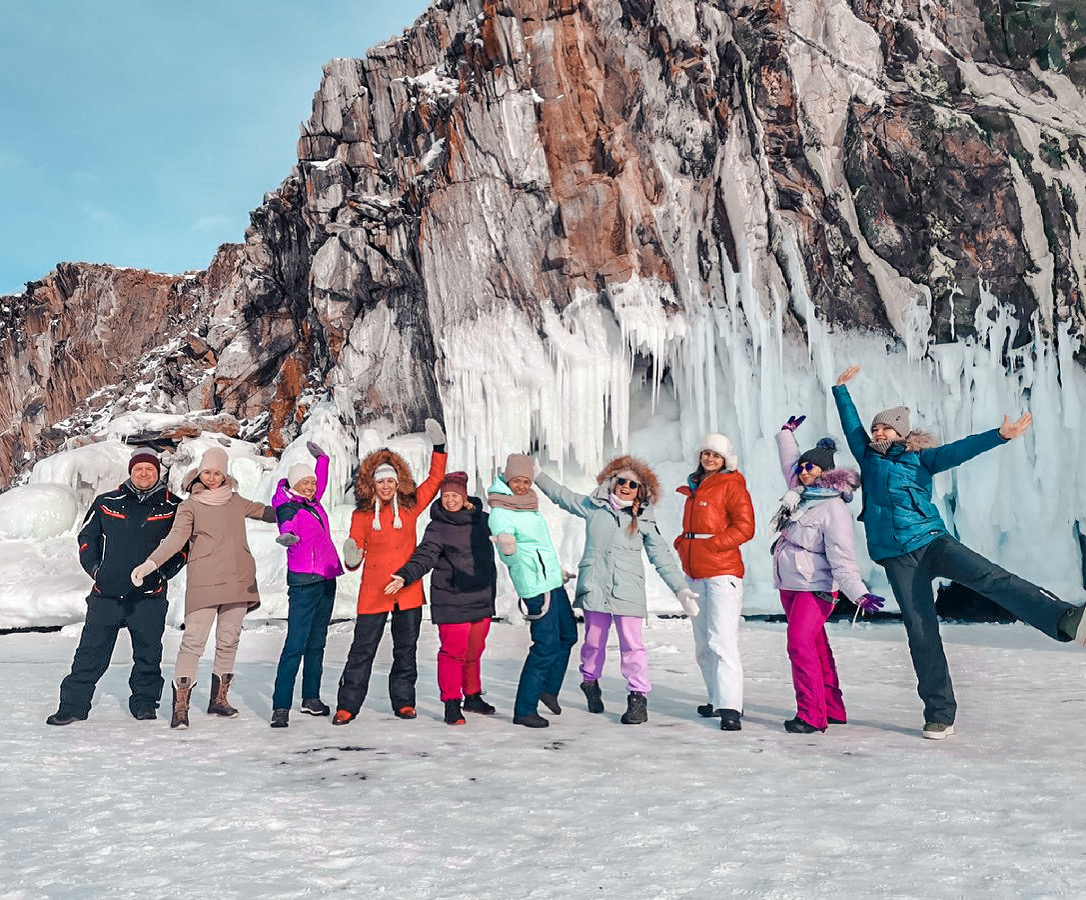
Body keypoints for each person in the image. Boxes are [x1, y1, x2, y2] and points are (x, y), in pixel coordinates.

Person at [833, 364, 1086, 739]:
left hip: (933, 541)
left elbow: (960, 451)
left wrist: (1000, 435)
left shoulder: (920, 458)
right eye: (875, 428)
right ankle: (939, 713)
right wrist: (841, 390)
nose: (878, 432)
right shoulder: (868, 457)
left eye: (885, 427)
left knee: (989, 577)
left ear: (901, 432)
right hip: (897, 558)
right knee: (921, 630)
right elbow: (850, 424)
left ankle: (1064, 619)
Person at [536, 456, 698, 726]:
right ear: (611, 482)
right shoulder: (593, 506)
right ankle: (590, 682)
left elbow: (662, 556)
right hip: (595, 587)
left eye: (632, 484)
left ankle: (638, 697)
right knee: (593, 643)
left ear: (640, 490)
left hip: (628, 589)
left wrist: (680, 589)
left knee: (633, 646)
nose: (625, 486)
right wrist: (539, 476)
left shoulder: (645, 518)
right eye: (620, 480)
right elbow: (562, 496)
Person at [131, 445, 276, 729]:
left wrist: (296, 504)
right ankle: (180, 705)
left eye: (216, 473)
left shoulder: (236, 501)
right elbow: (175, 540)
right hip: (205, 581)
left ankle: (219, 699)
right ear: (200, 472)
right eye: (207, 471)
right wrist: (150, 564)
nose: (211, 477)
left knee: (229, 639)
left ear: (225, 475)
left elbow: (267, 513)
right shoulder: (190, 506)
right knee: (193, 642)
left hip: (239, 578)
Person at [46, 448, 187, 725]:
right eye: (138, 469)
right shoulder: (108, 502)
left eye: (150, 468)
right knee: (90, 653)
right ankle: (73, 706)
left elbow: (184, 548)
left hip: (149, 596)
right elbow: (87, 539)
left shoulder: (174, 506)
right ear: (131, 471)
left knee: (148, 654)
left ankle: (145, 703)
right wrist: (96, 571)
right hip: (106, 595)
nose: (144, 473)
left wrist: (162, 576)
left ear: (158, 472)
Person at [771, 417, 885, 734]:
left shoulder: (833, 508)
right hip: (790, 584)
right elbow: (789, 461)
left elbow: (841, 555)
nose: (805, 471)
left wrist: (857, 592)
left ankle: (811, 715)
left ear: (826, 473)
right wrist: (785, 434)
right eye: (803, 467)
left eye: (812, 468)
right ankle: (833, 709)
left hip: (816, 588)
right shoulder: (799, 496)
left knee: (799, 646)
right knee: (816, 646)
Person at [333, 419, 447, 725]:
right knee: (362, 650)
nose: (385, 487)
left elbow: (435, 480)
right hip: (374, 592)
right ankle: (347, 705)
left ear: (398, 483)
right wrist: (352, 555)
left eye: (390, 482)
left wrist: (439, 448)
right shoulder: (362, 514)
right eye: (381, 482)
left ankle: (404, 702)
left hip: (407, 591)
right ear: (373, 484)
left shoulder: (410, 508)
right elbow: (354, 555)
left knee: (405, 650)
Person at [385, 471, 498, 726]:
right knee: (453, 653)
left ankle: (472, 696)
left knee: (474, 651)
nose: (449, 500)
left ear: (464, 496)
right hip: (452, 598)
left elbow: (512, 530)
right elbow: (425, 555)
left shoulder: (483, 521)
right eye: (445, 495)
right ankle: (451, 702)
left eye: (454, 495)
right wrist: (406, 576)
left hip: (481, 595)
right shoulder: (437, 527)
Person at [488, 453, 577, 729]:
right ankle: (524, 709)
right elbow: (509, 547)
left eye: (526, 481)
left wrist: (556, 571)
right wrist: (507, 547)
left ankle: (547, 689)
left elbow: (539, 547)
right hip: (536, 586)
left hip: (550, 581)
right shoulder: (501, 510)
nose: (522, 486)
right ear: (508, 479)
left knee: (568, 636)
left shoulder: (527, 506)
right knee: (545, 647)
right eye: (517, 480)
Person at [674, 434, 755, 731]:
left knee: (722, 640)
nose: (709, 458)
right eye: (706, 453)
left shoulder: (732, 484)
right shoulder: (696, 486)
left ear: (725, 460)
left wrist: (713, 546)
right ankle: (716, 698)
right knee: (702, 644)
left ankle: (731, 706)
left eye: (716, 455)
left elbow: (746, 527)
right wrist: (683, 544)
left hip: (722, 572)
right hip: (694, 572)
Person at [268, 441, 343, 728]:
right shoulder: (288, 506)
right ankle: (281, 705)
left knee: (317, 642)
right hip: (303, 582)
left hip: (326, 578)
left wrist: (322, 460)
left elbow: (320, 482)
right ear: (295, 484)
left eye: (312, 483)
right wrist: (286, 536)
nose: (311, 487)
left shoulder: (312, 502)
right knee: (295, 644)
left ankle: (310, 697)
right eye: (305, 483)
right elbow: (284, 522)